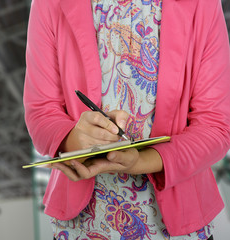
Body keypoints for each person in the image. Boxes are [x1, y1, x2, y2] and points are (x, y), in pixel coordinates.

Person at [23, 0, 230, 239]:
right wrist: (73, 139)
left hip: (181, 224)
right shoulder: (49, 3)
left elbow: (215, 126)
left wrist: (140, 162)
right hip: (82, 224)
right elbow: (41, 112)